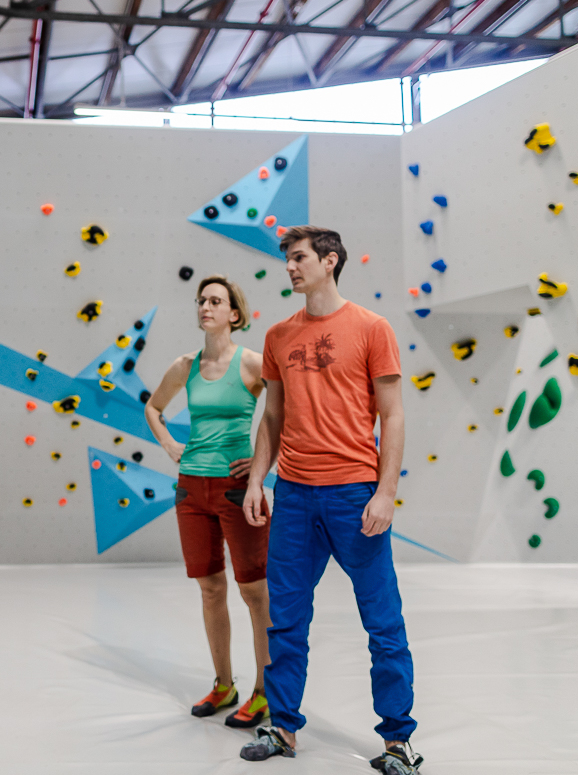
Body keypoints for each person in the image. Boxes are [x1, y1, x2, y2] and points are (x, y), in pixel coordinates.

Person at [237, 226, 422, 774]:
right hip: (293, 497)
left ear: (330, 260)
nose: (290, 268)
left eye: (298, 258)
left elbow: (392, 414)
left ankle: (397, 741)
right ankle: (284, 728)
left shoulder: (372, 328)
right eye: (288, 260)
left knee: (382, 624)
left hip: (354, 496)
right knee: (286, 620)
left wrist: (386, 492)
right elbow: (273, 416)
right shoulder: (277, 336)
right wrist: (257, 480)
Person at [145, 275, 272, 730]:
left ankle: (264, 692)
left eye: (215, 301)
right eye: (201, 300)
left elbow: (283, 416)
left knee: (255, 592)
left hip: (236, 490)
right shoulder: (186, 365)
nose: (206, 306)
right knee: (210, 588)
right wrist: (169, 445)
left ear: (234, 314)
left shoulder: (253, 363)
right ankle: (224, 685)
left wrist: (259, 469)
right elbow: (153, 409)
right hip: (191, 489)